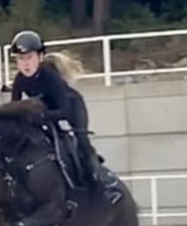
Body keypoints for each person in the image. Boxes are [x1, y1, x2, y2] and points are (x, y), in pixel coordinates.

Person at [8, 30, 123, 205]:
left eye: (29, 58)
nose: (25, 64)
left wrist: (40, 116)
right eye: (20, 59)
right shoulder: (19, 80)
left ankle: (106, 185)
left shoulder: (50, 76)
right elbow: (14, 108)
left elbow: (64, 110)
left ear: (40, 57)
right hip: (46, 112)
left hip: (71, 109)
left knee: (81, 143)